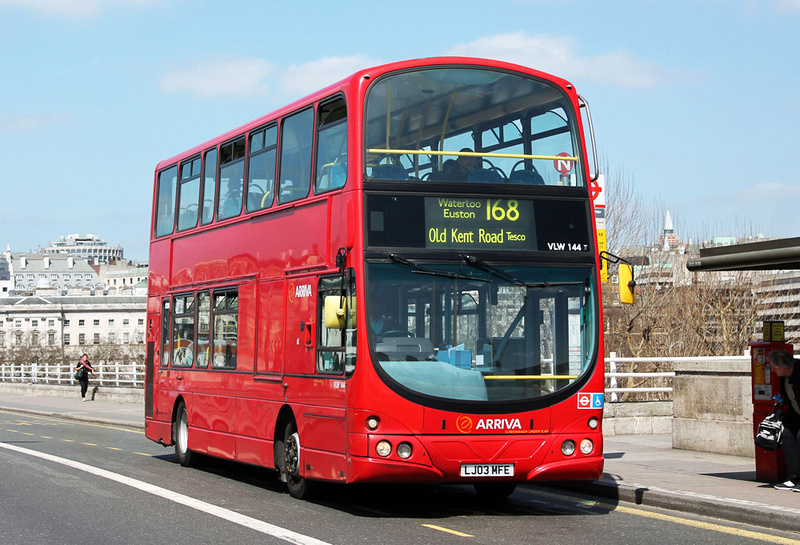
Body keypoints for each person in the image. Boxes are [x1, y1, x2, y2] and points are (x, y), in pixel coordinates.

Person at [768, 350, 800, 491]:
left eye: (774, 367)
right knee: (787, 435)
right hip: (796, 414)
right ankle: (793, 478)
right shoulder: (785, 377)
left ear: (784, 367)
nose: (772, 370)